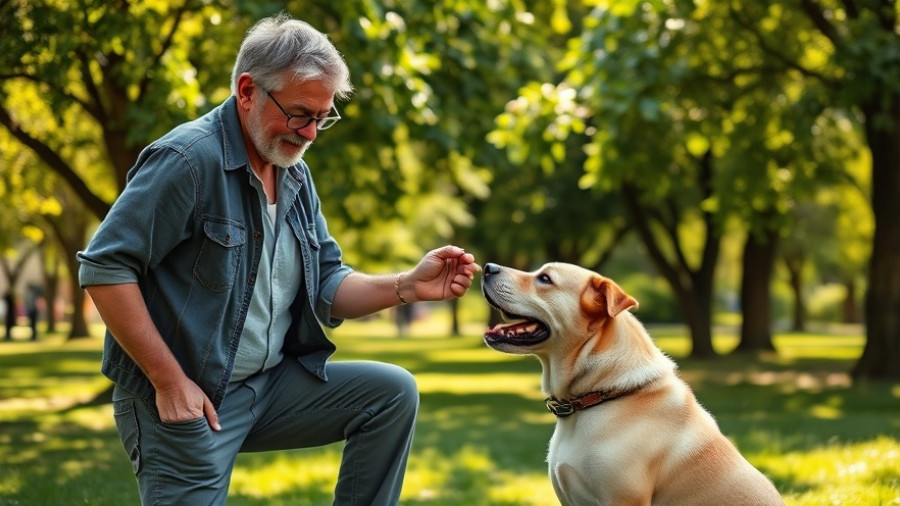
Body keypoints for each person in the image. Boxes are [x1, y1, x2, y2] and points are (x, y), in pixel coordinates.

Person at [77, 14, 480, 505]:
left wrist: (408, 286)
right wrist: (169, 381)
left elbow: (327, 281)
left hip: (267, 387)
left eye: (322, 117)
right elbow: (105, 268)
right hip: (186, 397)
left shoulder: (293, 173)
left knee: (391, 393)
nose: (311, 132)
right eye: (300, 114)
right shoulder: (187, 160)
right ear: (248, 91)